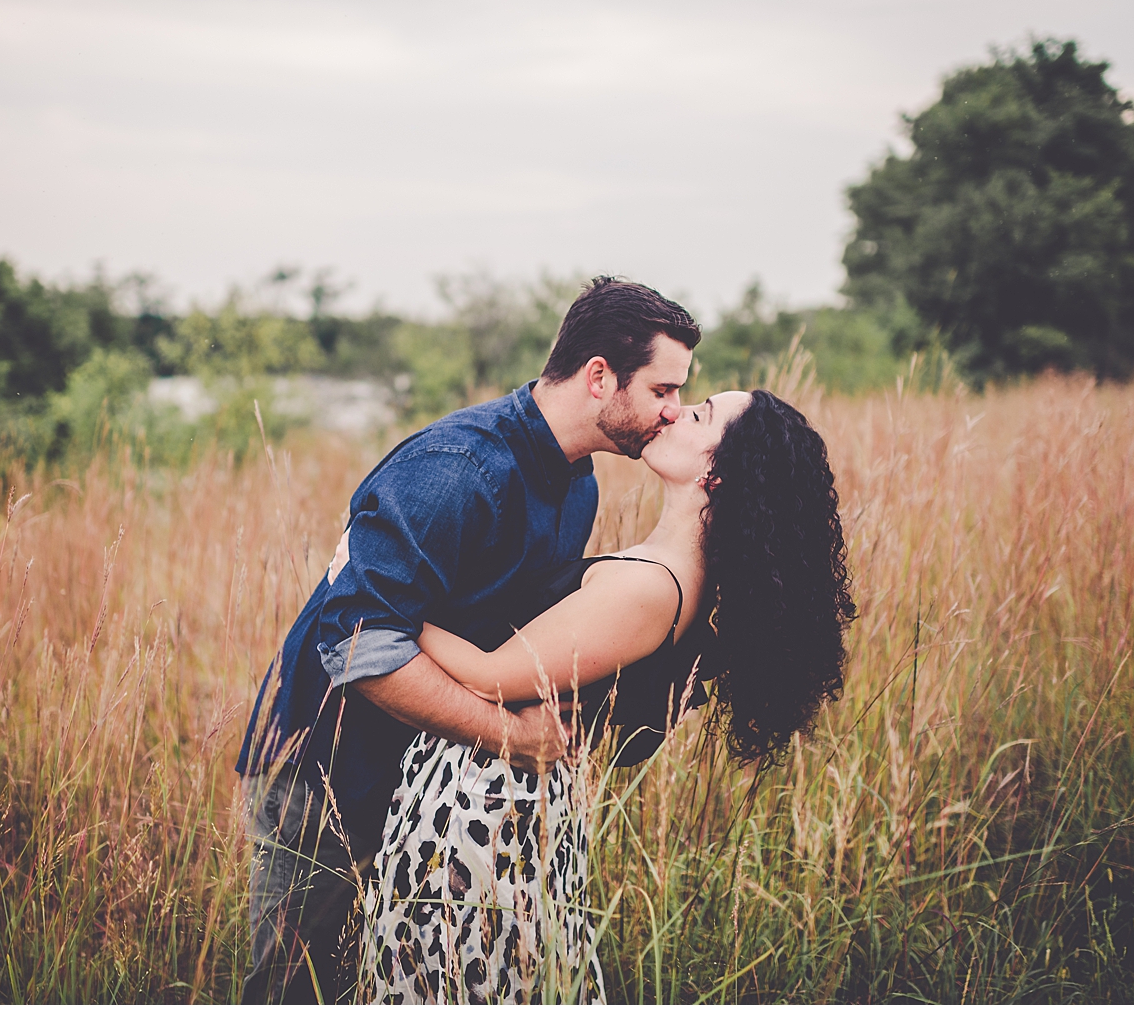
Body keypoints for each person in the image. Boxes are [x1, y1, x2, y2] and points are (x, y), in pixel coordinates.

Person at [236, 276, 701, 1003]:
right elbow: (357, 644)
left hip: (422, 785)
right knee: (293, 988)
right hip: (327, 772)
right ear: (600, 375)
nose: (672, 411)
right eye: (664, 388)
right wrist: (510, 734)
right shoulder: (458, 468)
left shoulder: (578, 481)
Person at [360, 388, 855, 1005]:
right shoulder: (667, 571)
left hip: (486, 808)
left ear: (717, 472)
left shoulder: (651, 586)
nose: (674, 411)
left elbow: (489, 674)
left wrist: (375, 598)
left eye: (699, 414)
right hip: (507, 796)